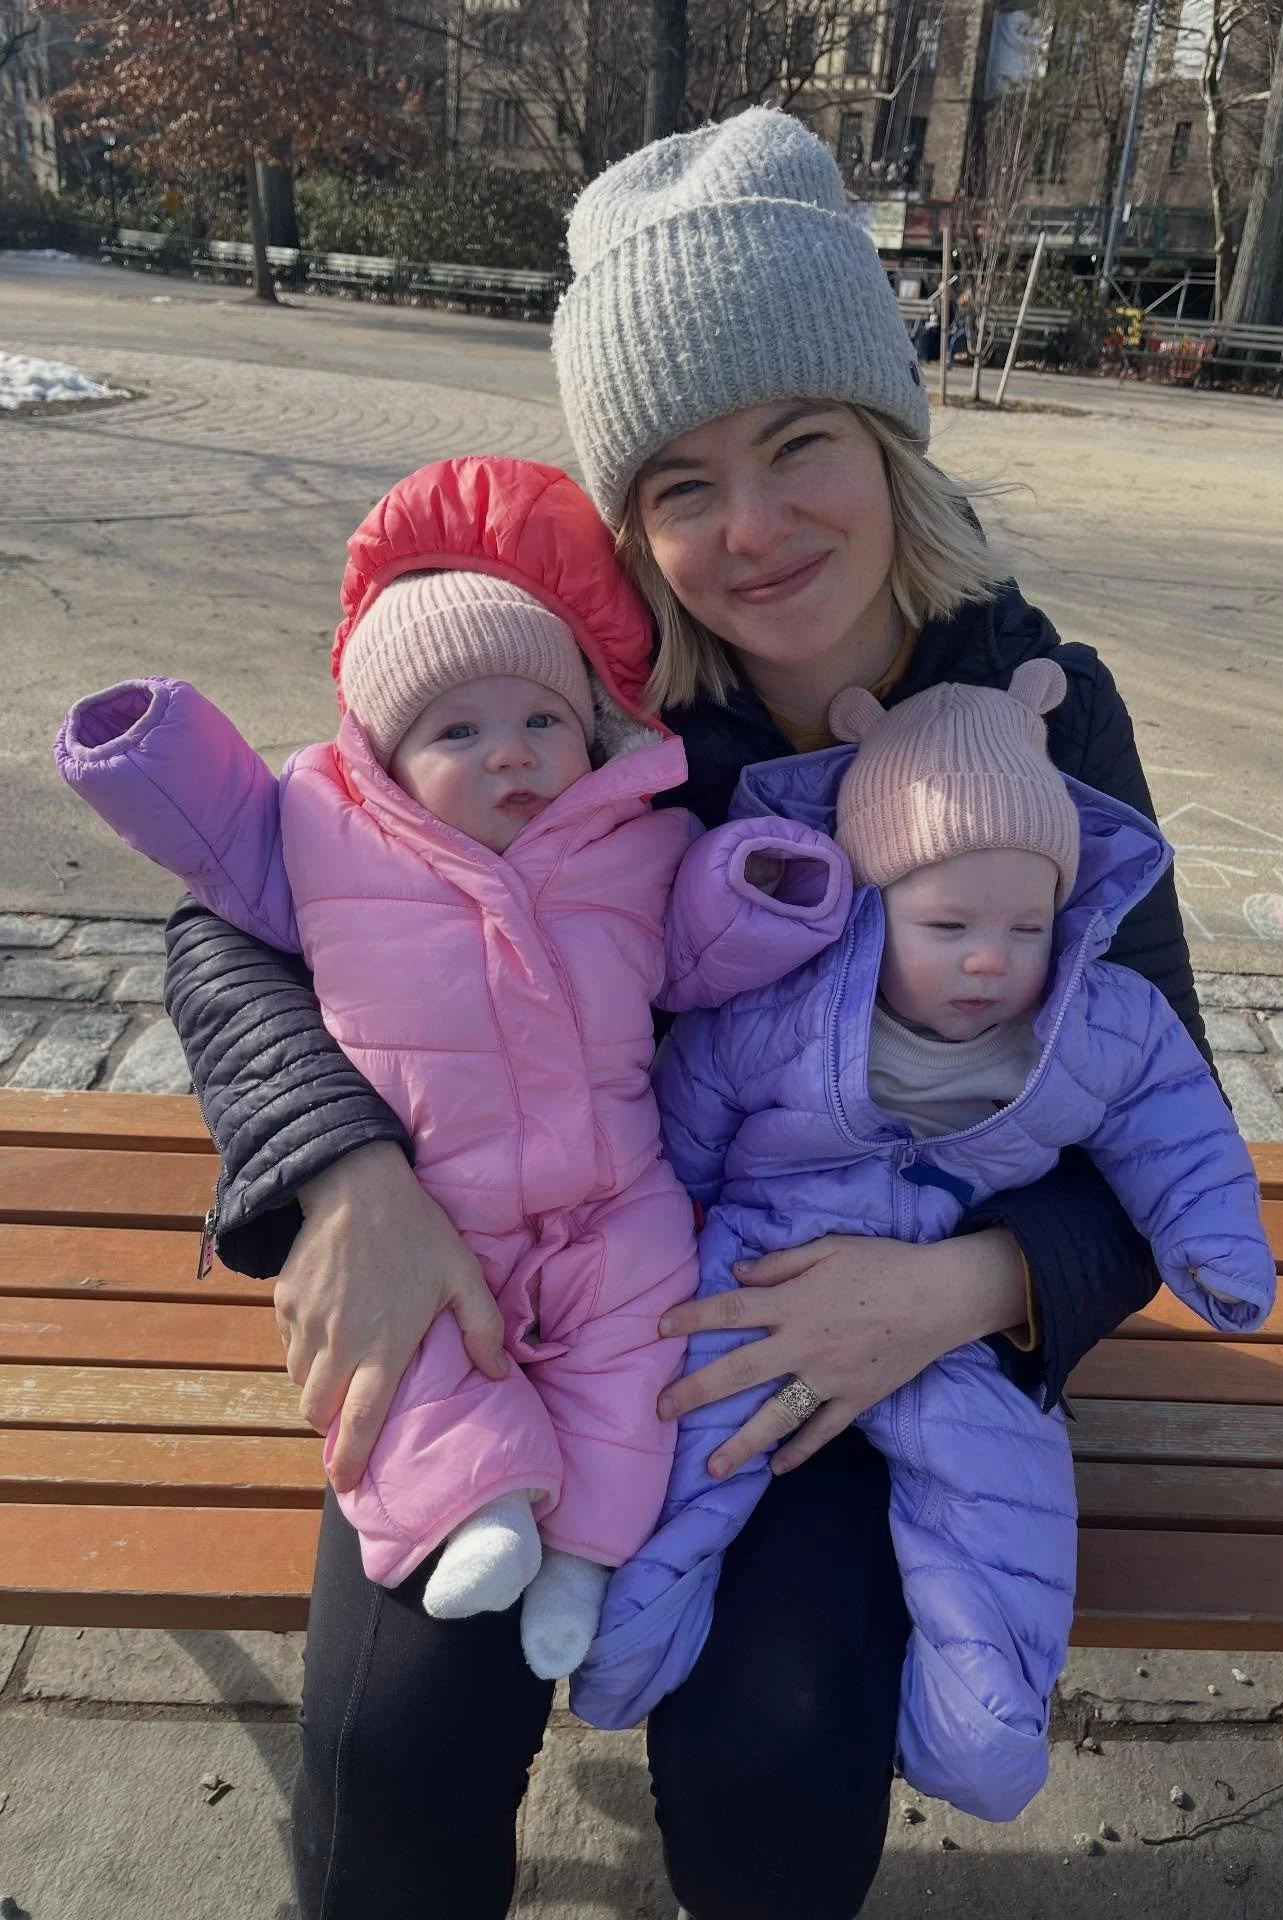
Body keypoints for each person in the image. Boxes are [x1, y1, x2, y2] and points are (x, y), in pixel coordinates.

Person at [159, 107, 1213, 1920]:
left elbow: (1158, 1105)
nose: (755, 527)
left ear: (888, 440)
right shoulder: (580, 715)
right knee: (397, 1733)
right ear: (633, 526)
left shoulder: (1043, 711)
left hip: (856, 1344)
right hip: (530, 1305)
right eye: (680, 484)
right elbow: (246, 907)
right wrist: (344, 1174)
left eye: (800, 444)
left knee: (779, 1734)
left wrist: (964, 1289)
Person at [55, 454, 850, 1678]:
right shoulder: (331, 841)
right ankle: (478, 1510)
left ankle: (585, 1556)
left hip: (613, 1201)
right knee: (412, 1366)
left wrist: (773, 891)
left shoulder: (634, 843)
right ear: (385, 750)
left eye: (541, 719)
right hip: (436, 1211)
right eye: (457, 731)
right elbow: (219, 847)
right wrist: (145, 749)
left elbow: (699, 943)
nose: (512, 754)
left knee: (643, 1356)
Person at [574, 665, 1274, 1821]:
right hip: (765, 1266)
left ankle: (982, 1718)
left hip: (959, 1318)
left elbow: (1176, 1118)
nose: (990, 960)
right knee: (702, 1440)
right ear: (871, 905)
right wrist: (674, 1222)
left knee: (998, 1487)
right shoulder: (785, 1005)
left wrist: (1217, 1248)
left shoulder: (1091, 1020)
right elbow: (690, 1105)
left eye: (1025, 926)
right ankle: (631, 1633)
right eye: (947, 926)